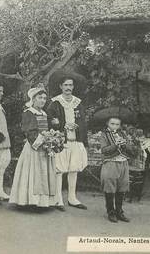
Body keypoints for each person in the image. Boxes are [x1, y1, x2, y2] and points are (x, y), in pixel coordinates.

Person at [9, 85, 57, 209]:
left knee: (43, 173)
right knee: (32, 173)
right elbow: (29, 131)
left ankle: (42, 202)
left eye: (44, 98)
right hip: (34, 147)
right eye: (40, 98)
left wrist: (51, 139)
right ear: (33, 99)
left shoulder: (44, 113)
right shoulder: (29, 112)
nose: (42, 100)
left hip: (45, 147)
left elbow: (46, 129)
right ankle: (29, 200)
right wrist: (42, 140)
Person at [47, 72, 88, 211]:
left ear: (73, 86)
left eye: (70, 85)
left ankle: (72, 198)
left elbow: (83, 121)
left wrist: (78, 127)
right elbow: (50, 121)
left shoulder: (78, 103)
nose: (68, 87)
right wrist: (63, 125)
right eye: (65, 85)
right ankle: (58, 199)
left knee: (73, 169)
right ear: (60, 86)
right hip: (61, 141)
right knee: (60, 169)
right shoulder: (55, 103)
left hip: (75, 140)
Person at [99, 116, 138, 223]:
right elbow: (104, 150)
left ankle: (119, 212)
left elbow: (132, 150)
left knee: (122, 187)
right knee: (110, 187)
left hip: (123, 163)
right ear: (107, 123)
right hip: (111, 163)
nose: (114, 126)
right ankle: (111, 212)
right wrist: (115, 145)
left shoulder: (123, 134)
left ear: (120, 125)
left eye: (117, 124)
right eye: (112, 124)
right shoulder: (104, 135)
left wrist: (125, 144)